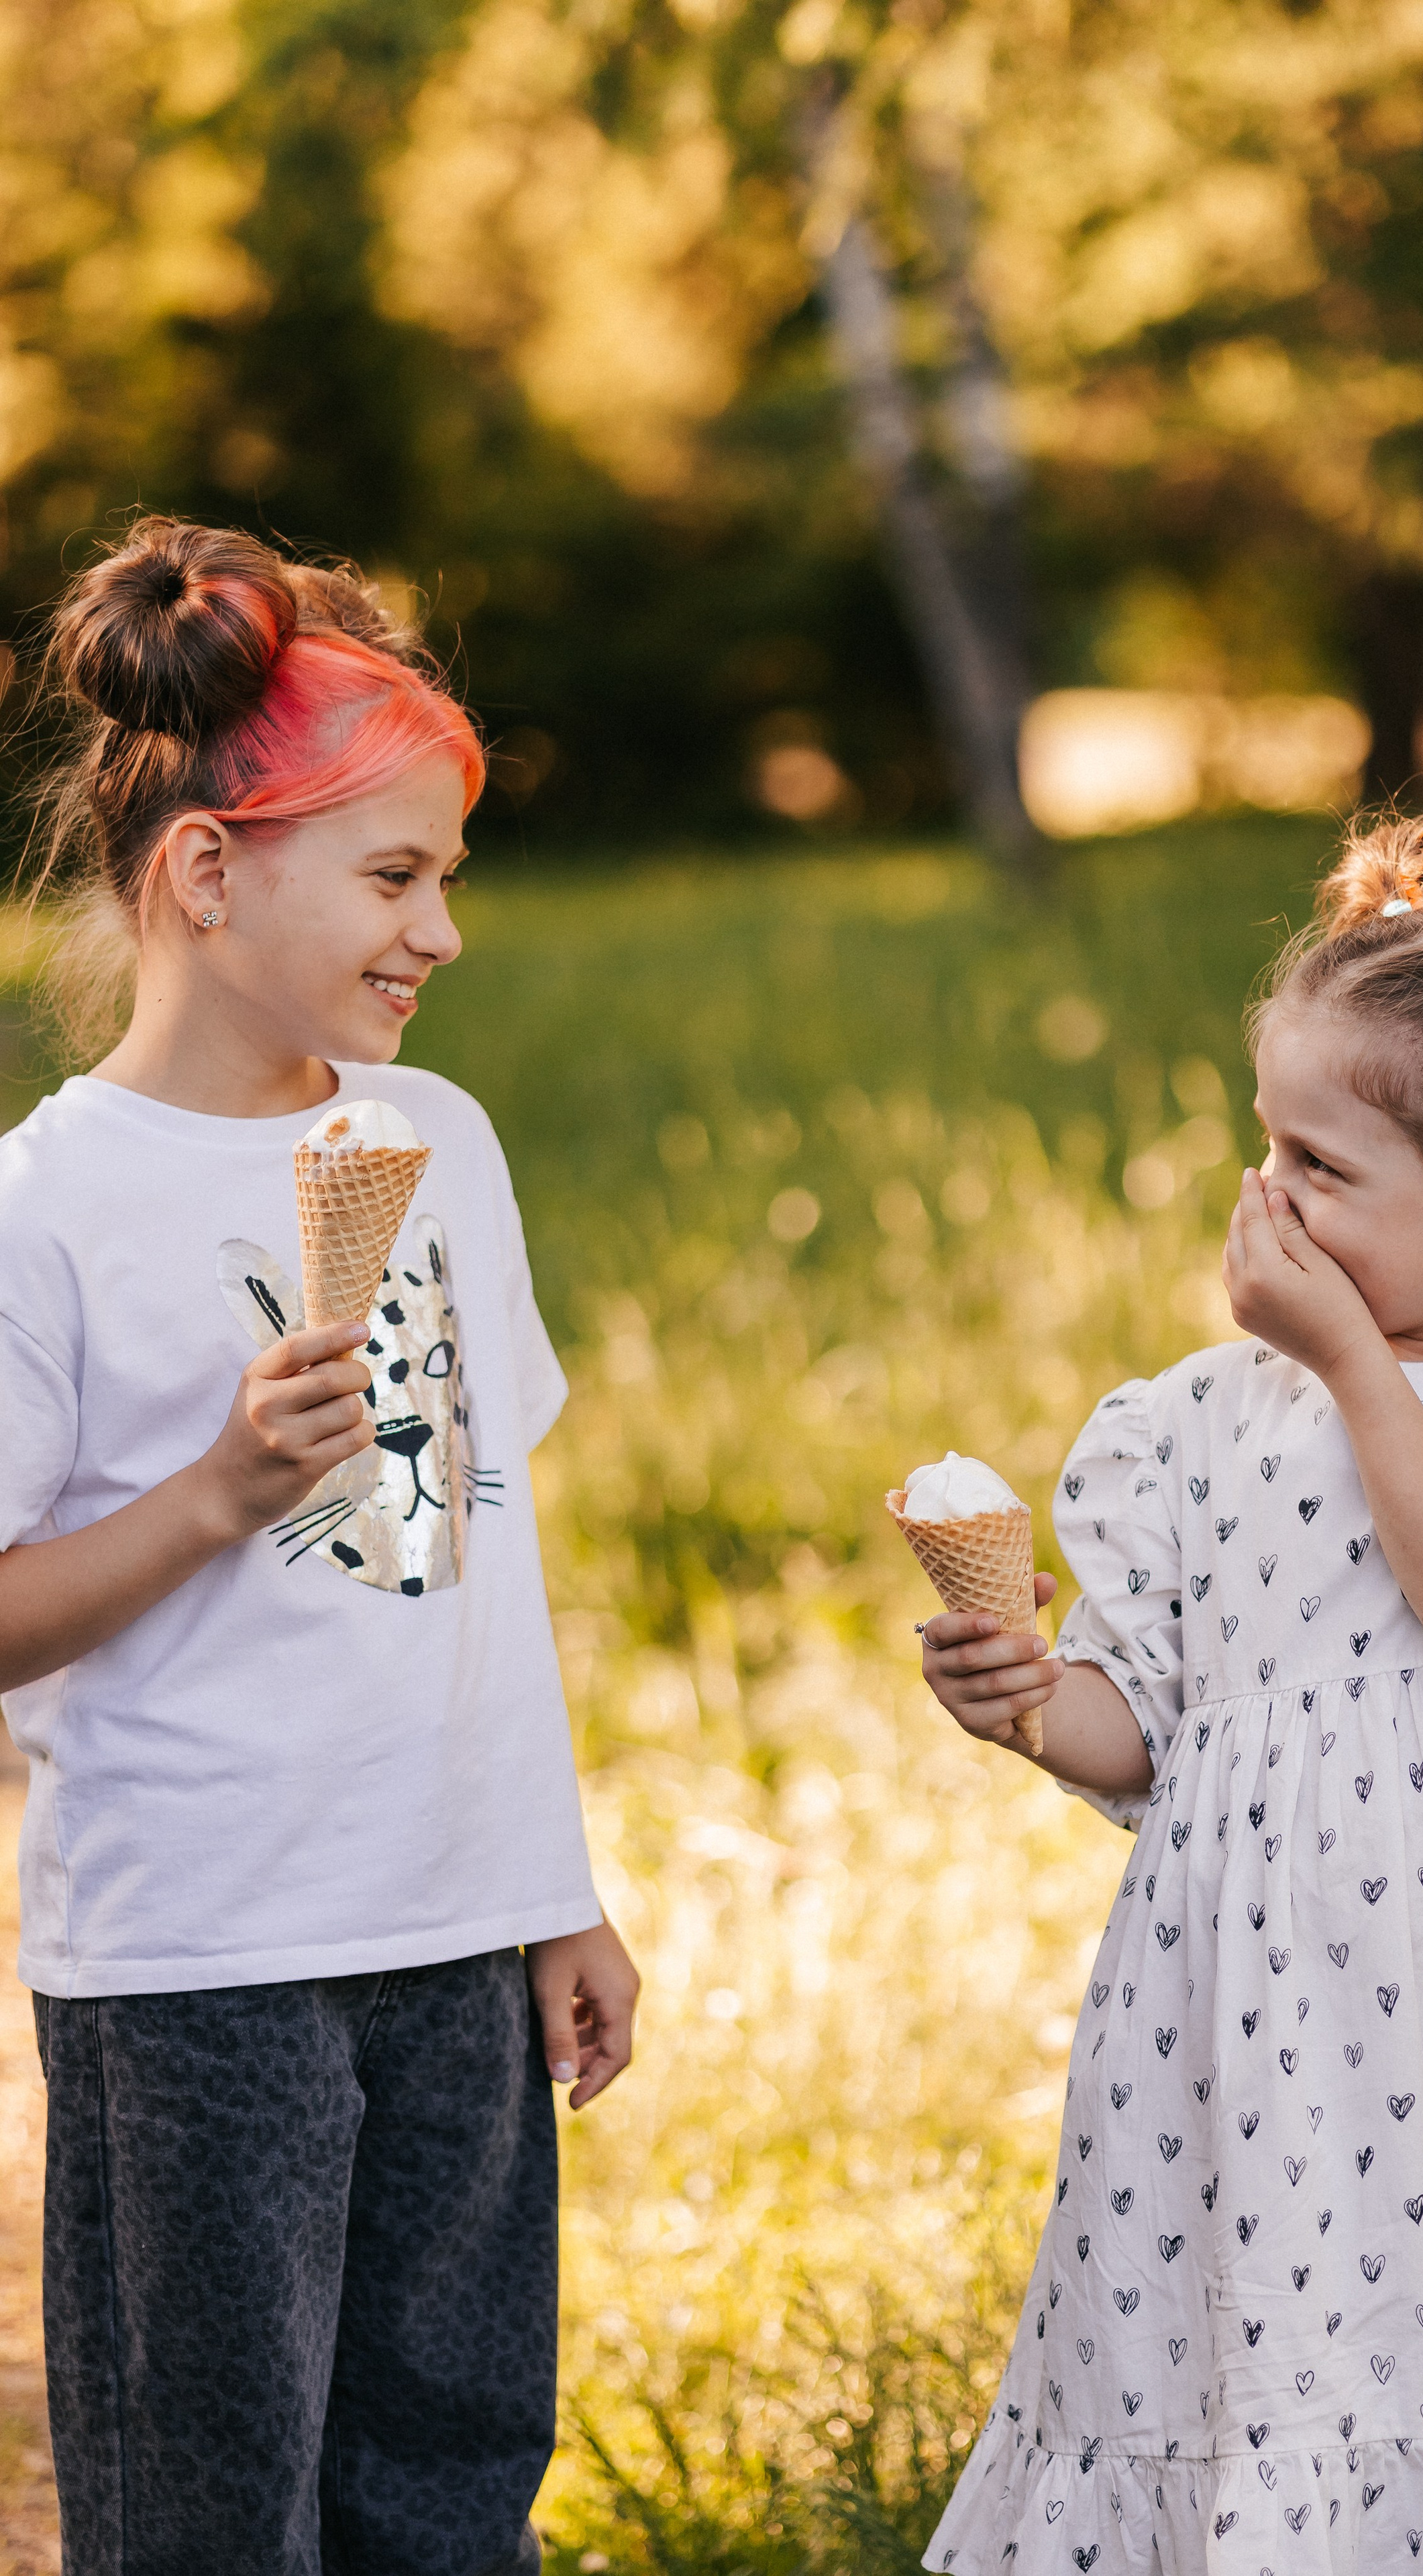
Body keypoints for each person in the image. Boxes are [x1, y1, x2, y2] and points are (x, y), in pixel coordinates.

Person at [918, 815, 1423, 2576]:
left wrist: (1357, 1363)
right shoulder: (1200, 1422)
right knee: (1258, 2361)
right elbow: (1150, 1721)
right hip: (1258, 2046)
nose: (1261, 1203)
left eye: (1317, 1167)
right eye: (1260, 1148)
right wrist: (1032, 1698)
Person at [0, 517, 639, 2576]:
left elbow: (485, 1556)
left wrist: (558, 1889)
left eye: (444, 873)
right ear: (207, 874)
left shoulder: (436, 1141)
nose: (440, 928)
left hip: (454, 1931)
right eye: (393, 875)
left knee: (455, 2484)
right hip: (204, 1971)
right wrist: (213, 1497)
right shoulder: (50, 1208)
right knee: (211, 2517)